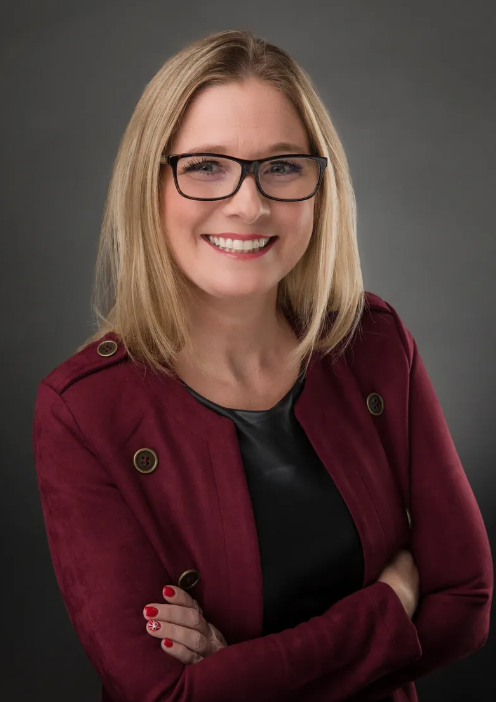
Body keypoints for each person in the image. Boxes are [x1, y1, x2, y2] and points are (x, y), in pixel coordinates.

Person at [32, 29, 492, 702]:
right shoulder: (83, 410)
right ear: (149, 184)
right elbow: (163, 697)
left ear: (318, 182)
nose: (249, 204)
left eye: (281, 166)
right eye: (207, 165)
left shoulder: (375, 344)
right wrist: (389, 607)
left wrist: (240, 667)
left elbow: (466, 603)